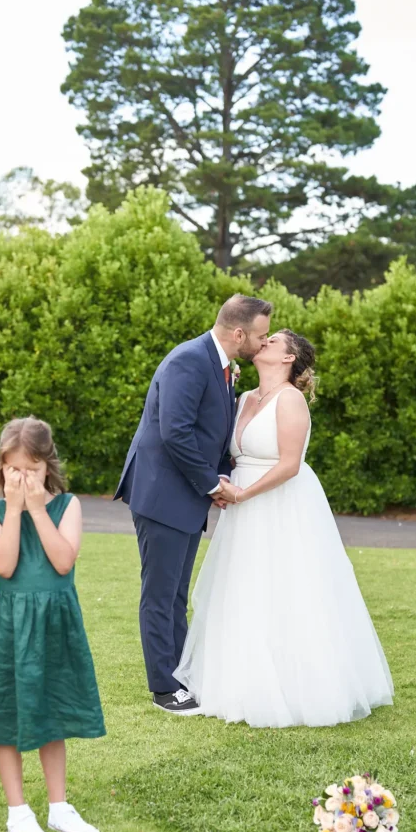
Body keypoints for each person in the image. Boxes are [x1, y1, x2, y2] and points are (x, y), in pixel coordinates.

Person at [174, 330, 394, 726]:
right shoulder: (242, 399)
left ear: (289, 358)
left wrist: (243, 494)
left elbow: (289, 464)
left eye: (273, 340)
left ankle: (298, 689)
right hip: (242, 507)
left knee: (287, 589)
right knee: (242, 588)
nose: (264, 342)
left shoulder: (290, 400)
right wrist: (220, 486)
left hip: (280, 503)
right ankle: (239, 683)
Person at [115, 294, 272, 714]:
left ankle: (181, 673)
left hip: (185, 494)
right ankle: (164, 688)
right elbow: (175, 432)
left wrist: (220, 473)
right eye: (260, 336)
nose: (263, 343)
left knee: (175, 593)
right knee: (160, 593)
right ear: (238, 333)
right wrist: (211, 485)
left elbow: (213, 432)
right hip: (162, 493)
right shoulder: (189, 359)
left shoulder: (222, 367)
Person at [0, 417, 105, 832]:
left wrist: (35, 507)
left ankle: (59, 807)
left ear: (47, 466)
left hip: (54, 622)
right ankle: (18, 812)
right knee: (7, 717)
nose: (22, 478)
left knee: (52, 712)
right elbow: (5, 565)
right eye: (13, 469)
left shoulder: (66, 505)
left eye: (31, 470)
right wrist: (15, 509)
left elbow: (63, 561)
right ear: (1, 468)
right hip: (10, 625)